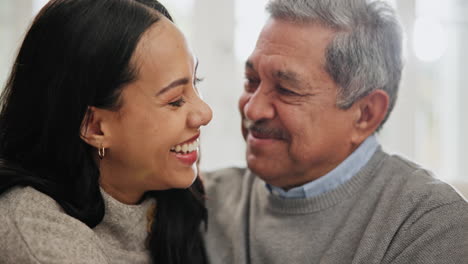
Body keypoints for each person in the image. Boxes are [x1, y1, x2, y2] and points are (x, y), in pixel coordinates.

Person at [203, 0, 468, 263]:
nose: (252, 109)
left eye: (286, 90)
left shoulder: (430, 226)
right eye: (251, 81)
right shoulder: (201, 201)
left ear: (366, 114)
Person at [0, 0, 212, 263]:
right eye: (175, 100)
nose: (205, 113)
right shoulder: (41, 242)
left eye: (196, 81)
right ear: (95, 127)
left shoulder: (173, 195)